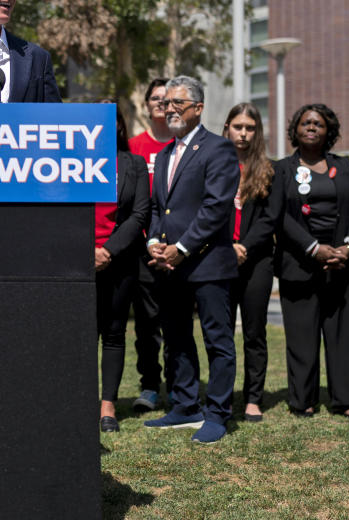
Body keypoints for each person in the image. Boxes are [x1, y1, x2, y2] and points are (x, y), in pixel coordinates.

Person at [143, 76, 239, 444]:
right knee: (177, 338)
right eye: (166, 104)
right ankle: (185, 406)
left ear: (198, 108)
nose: (170, 110)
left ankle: (216, 413)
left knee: (217, 341)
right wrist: (153, 241)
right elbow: (157, 207)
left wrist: (181, 249)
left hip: (207, 263)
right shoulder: (164, 153)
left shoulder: (219, 150)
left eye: (178, 104)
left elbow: (215, 208)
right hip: (168, 266)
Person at [269, 103, 349, 421]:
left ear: (329, 131)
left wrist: (348, 247)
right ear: (295, 130)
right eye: (305, 123)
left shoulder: (346, 166)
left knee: (342, 332)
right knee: (301, 335)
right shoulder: (281, 169)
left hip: (341, 262)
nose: (312, 127)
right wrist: (314, 248)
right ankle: (303, 400)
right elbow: (279, 215)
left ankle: (346, 400)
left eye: (319, 124)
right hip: (298, 263)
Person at [96, 105, 150, 432]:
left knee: (114, 333)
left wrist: (108, 251)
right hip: (79, 259)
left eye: (111, 118)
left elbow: (139, 215)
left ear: (120, 125)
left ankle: (108, 406)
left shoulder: (135, 164)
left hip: (119, 261)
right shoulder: (72, 160)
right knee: (78, 335)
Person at [222, 103, 276, 423]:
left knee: (255, 332)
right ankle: (224, 397)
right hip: (220, 257)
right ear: (227, 127)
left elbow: (270, 218)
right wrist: (228, 244)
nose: (243, 133)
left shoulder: (269, 169)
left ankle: (253, 398)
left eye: (250, 128)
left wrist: (243, 246)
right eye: (238, 126)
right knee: (222, 332)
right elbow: (208, 210)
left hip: (257, 260)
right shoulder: (213, 164)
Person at [126, 78, 173, 411]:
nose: (161, 103)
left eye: (167, 99)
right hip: (142, 248)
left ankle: (181, 384)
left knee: (177, 321)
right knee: (146, 323)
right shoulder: (133, 147)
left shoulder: (185, 145)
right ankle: (149, 385)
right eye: (155, 98)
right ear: (146, 105)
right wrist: (146, 243)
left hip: (179, 251)